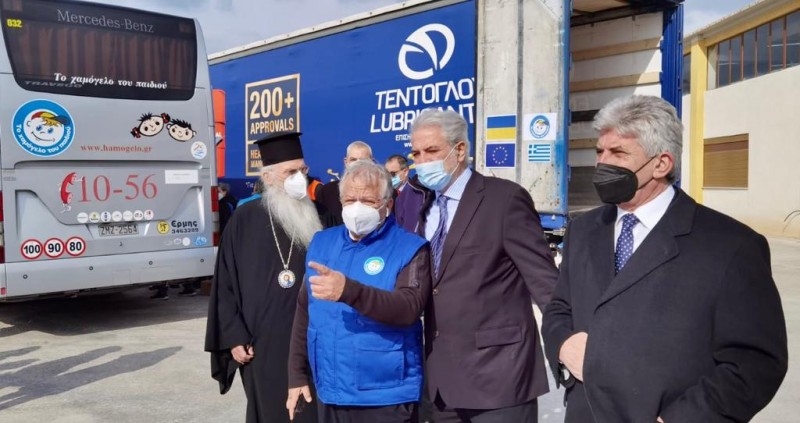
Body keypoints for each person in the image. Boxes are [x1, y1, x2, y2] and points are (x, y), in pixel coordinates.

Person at [541, 95, 788, 422]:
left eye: (618, 153)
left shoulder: (731, 246)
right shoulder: (584, 230)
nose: (602, 164)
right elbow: (559, 307)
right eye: (600, 152)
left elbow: (754, 363)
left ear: (661, 164)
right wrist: (562, 344)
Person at [396, 109, 558, 422]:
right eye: (416, 153)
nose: (422, 161)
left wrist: (566, 343)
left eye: (432, 151)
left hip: (501, 378)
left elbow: (545, 283)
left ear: (460, 150)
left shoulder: (504, 199)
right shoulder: (424, 207)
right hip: (443, 384)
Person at [286, 160, 432, 423]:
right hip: (331, 390)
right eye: (350, 200)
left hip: (386, 394)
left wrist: (349, 291)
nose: (357, 208)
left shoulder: (410, 248)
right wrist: (296, 374)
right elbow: (305, 310)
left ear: (387, 205)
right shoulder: (322, 242)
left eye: (367, 201)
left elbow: (408, 308)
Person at [204, 131, 321, 423]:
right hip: (261, 344)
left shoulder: (322, 216)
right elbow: (225, 285)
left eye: (303, 170)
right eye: (290, 172)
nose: (300, 178)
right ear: (268, 177)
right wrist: (234, 336)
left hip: (314, 341)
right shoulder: (244, 220)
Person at [315, 140, 374, 227]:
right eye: (353, 160)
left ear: (371, 162)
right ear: (346, 162)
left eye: (363, 160)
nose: (358, 164)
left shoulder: (383, 190)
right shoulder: (327, 192)